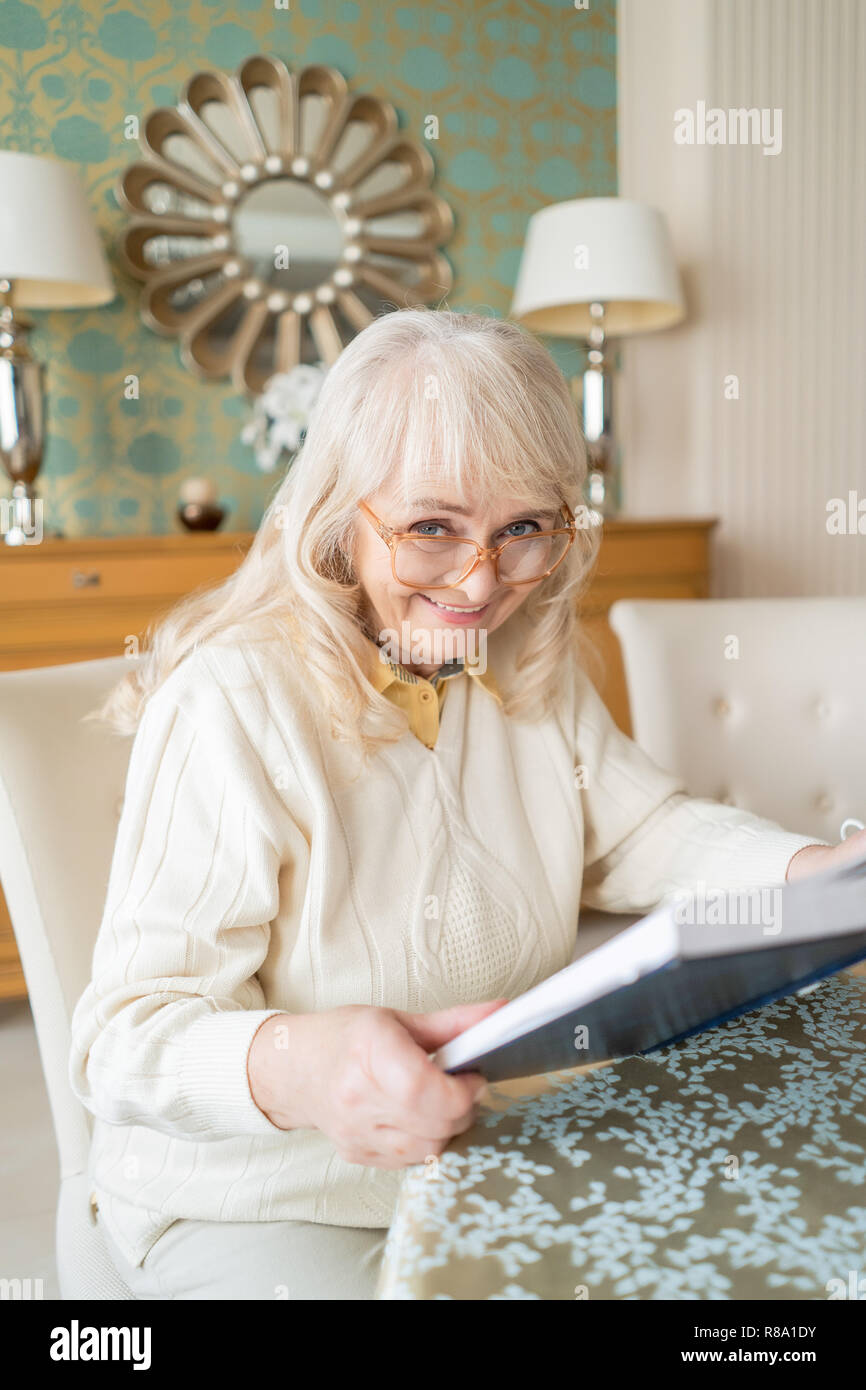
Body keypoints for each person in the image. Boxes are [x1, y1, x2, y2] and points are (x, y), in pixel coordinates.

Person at [68, 307, 859, 1300]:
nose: (482, 583)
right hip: (263, 1202)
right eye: (432, 527)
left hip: (477, 1155)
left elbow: (641, 830)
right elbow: (122, 1041)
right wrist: (302, 1066)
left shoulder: (525, 658)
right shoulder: (233, 703)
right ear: (333, 513)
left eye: (523, 527)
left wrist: (813, 874)